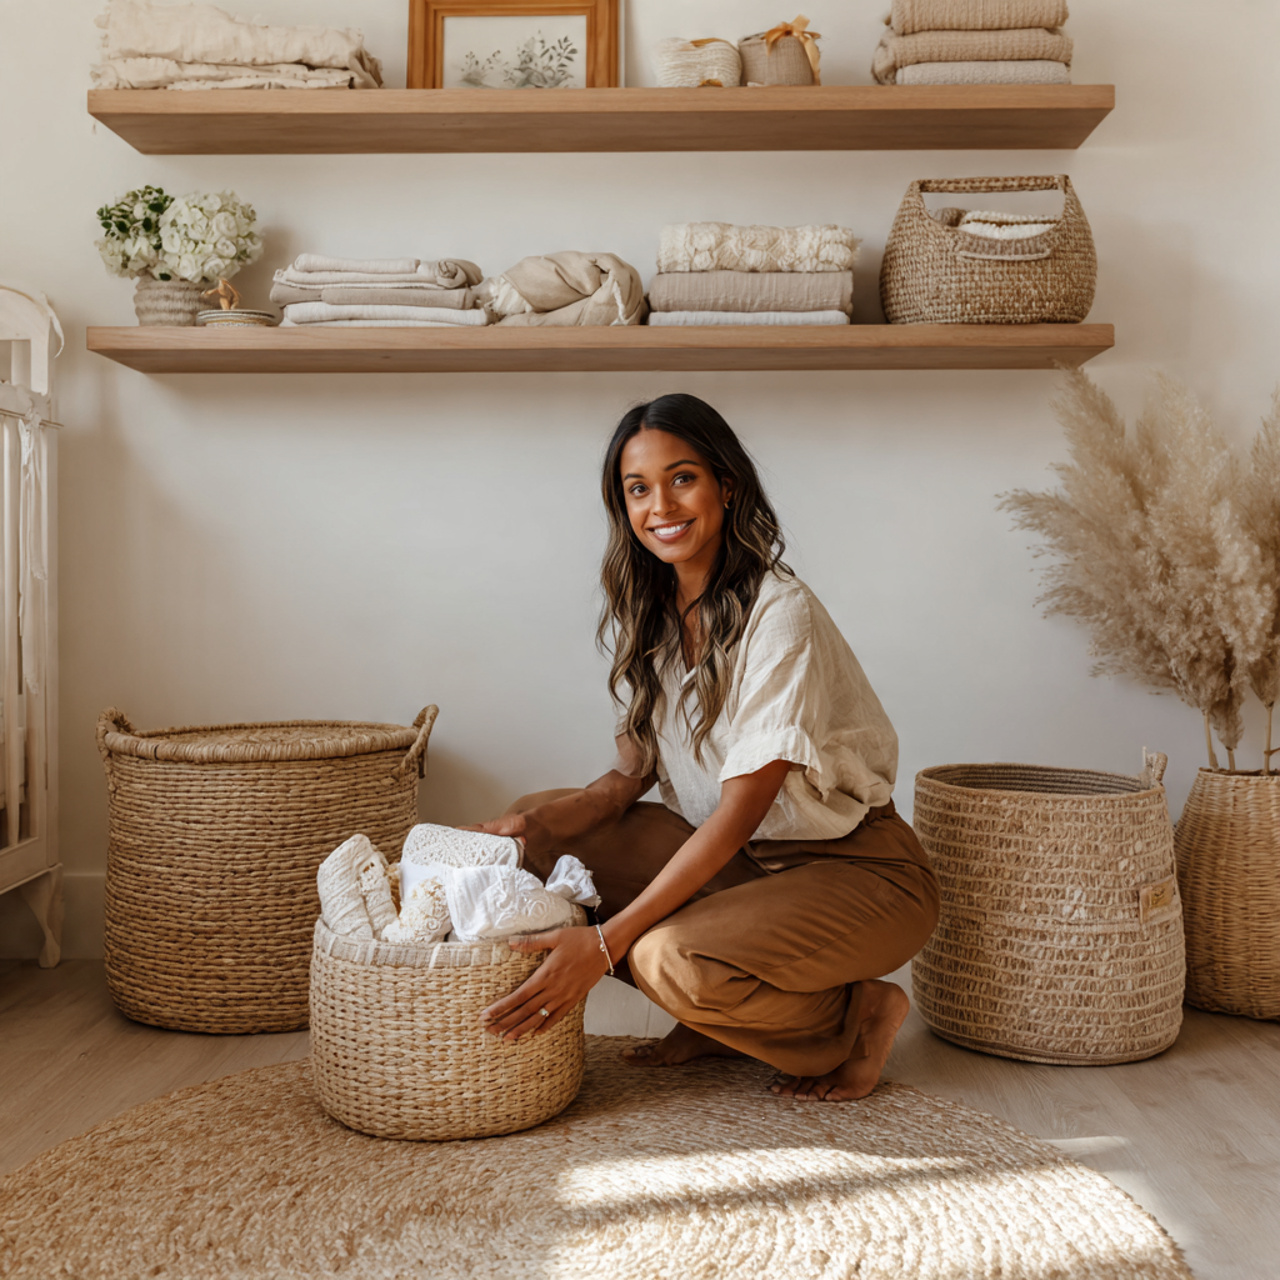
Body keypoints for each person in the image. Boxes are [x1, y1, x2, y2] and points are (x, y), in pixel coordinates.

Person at [474, 393, 939, 1101]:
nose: (661, 505)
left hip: (857, 871)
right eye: (638, 488)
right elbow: (627, 778)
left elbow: (738, 814)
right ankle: (719, 1019)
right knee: (544, 837)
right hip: (749, 865)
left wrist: (603, 945)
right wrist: (528, 828)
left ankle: (857, 1016)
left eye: (682, 478)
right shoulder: (655, 612)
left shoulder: (781, 613)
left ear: (726, 485)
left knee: (668, 958)